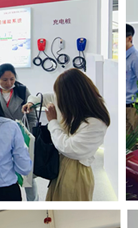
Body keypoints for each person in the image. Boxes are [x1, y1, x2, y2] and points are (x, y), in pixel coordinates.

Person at [23, 68, 110, 201]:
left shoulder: (95, 122)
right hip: (60, 165)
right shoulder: (74, 105)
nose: (58, 99)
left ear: (72, 96)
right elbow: (45, 98)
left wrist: (53, 122)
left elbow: (68, 148)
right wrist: (31, 102)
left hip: (75, 173)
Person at [0, 63, 38, 201]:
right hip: (1, 139)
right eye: (4, 80)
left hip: (22, 137)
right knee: (5, 172)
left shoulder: (22, 91)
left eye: (12, 79)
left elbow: (32, 117)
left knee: (28, 174)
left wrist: (30, 136)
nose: (9, 83)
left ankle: (33, 203)